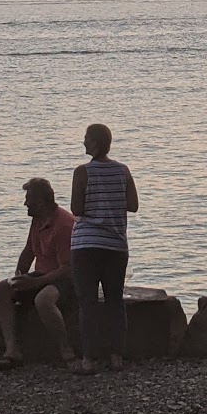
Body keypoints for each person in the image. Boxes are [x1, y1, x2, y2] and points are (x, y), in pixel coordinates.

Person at [69, 123, 138, 375]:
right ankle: (116, 356)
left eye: (86, 139)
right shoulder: (123, 170)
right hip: (116, 245)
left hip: (86, 245)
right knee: (114, 300)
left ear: (96, 143)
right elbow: (133, 205)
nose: (83, 143)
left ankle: (88, 359)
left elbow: (76, 209)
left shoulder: (82, 172)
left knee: (87, 302)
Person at [0, 177, 75, 368]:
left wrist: (36, 283)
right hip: (42, 275)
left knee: (43, 300)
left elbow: (67, 269)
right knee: (2, 289)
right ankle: (12, 349)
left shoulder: (64, 225)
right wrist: (18, 277)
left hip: (65, 279)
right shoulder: (38, 219)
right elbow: (29, 251)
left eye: (29, 200)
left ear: (42, 203)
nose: (25, 203)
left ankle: (65, 349)